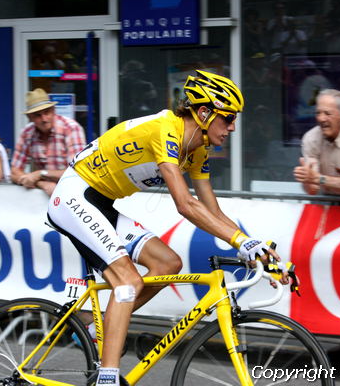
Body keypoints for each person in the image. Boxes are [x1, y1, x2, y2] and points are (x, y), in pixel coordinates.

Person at [47, 70, 288, 386]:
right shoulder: (167, 131)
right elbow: (185, 205)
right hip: (74, 195)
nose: (232, 127)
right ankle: (106, 379)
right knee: (127, 281)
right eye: (227, 118)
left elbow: (212, 210)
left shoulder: (198, 147)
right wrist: (240, 242)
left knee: (167, 263)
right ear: (203, 112)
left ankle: (99, 328)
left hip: (102, 202)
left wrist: (258, 249)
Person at [10, 88, 86, 196]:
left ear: (53, 110)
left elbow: (78, 172)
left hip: (74, 193)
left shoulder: (71, 128)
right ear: (30, 117)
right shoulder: (27, 133)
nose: (44, 119)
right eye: (38, 115)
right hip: (43, 196)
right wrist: (41, 183)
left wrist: (40, 174)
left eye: (47, 112)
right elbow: (14, 172)